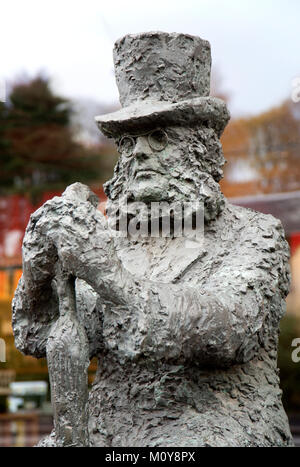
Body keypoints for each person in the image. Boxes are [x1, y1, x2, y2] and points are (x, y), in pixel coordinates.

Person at [12, 32, 293, 446]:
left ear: (201, 149)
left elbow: (228, 332)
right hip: (107, 430)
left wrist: (107, 275)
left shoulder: (255, 234)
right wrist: (38, 265)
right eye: (128, 142)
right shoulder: (108, 237)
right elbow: (36, 335)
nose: (139, 152)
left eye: (159, 137)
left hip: (216, 428)